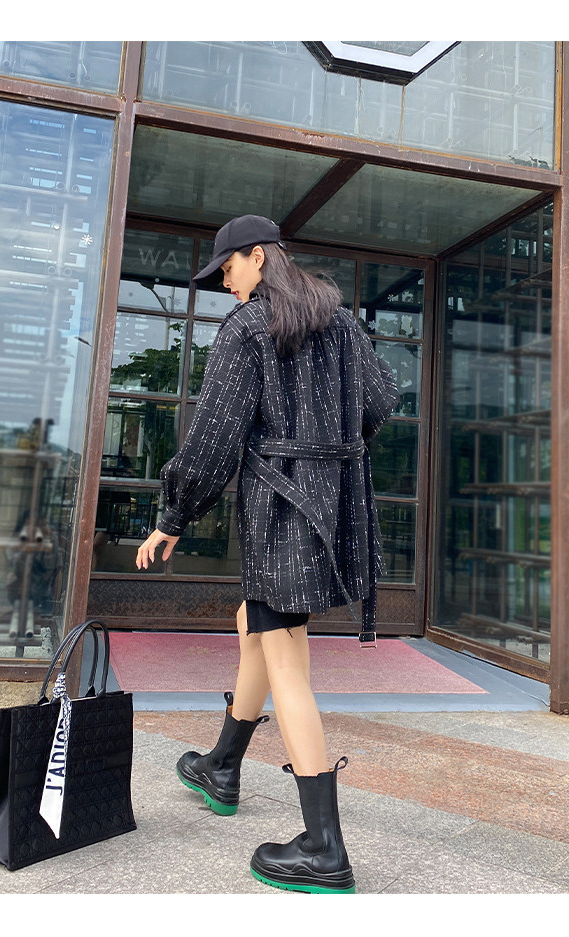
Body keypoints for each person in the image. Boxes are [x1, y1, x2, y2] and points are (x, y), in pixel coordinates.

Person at [136, 214, 399, 894]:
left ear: (258, 256)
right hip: (330, 505)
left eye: (228, 269)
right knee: (252, 625)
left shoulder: (250, 326)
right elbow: (380, 401)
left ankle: (323, 846)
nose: (226, 283)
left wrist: (174, 516)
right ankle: (223, 764)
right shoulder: (340, 322)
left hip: (283, 512)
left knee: (286, 660)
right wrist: (328, 451)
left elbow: (214, 435)